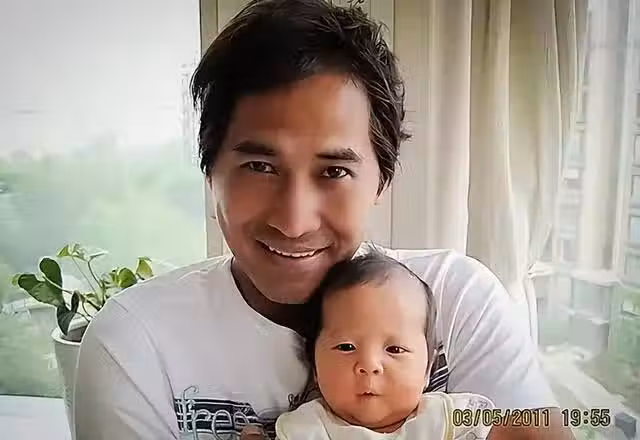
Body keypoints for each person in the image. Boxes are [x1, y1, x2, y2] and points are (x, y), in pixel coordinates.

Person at [73, 1, 573, 439]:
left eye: (334, 171)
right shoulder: (137, 341)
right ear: (211, 173)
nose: (293, 221)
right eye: (260, 166)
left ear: (381, 181)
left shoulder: (456, 300)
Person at [274, 252, 494, 440]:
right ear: (315, 367)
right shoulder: (307, 428)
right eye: (346, 347)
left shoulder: (448, 416)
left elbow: (511, 428)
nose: (369, 365)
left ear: (428, 369)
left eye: (395, 350)